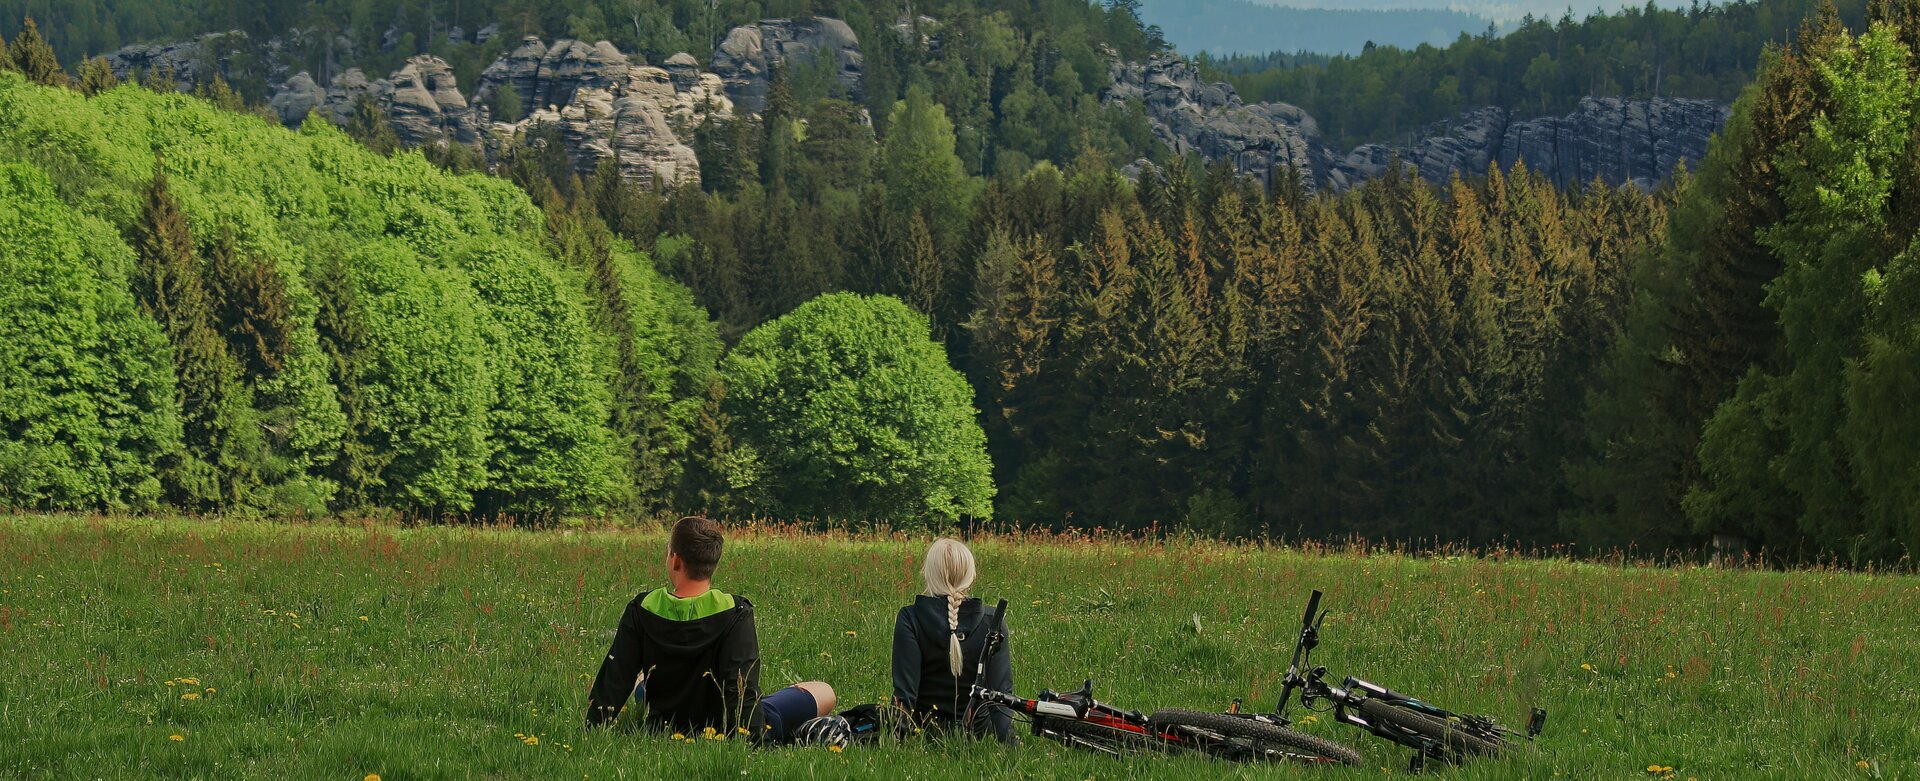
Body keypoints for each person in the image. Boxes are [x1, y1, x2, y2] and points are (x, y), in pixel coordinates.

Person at [585, 515, 836, 744]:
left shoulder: (642, 608)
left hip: (664, 723)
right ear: (713, 562)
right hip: (728, 728)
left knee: (642, 681)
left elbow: (616, 677)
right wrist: (753, 741)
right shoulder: (735, 611)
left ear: (675, 560)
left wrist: (591, 730)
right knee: (824, 691)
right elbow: (742, 687)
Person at [891, 537, 1015, 744]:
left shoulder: (910, 618)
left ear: (927, 573)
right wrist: (1010, 745)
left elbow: (905, 694)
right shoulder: (993, 621)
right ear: (971, 575)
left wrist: (895, 741)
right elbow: (1000, 695)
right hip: (980, 735)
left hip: (925, 733)